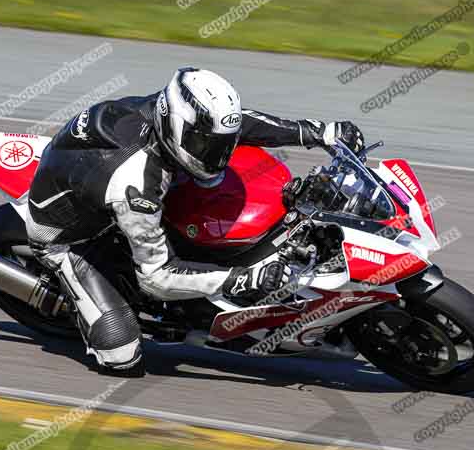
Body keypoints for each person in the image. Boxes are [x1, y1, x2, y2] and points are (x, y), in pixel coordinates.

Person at [25, 67, 364, 375]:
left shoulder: (174, 114)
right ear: (177, 126)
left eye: (220, 145)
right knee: (122, 357)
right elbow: (156, 278)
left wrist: (321, 133)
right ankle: (72, 289)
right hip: (73, 238)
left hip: (104, 182)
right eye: (206, 145)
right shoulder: (136, 183)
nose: (216, 155)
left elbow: (239, 123)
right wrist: (240, 279)